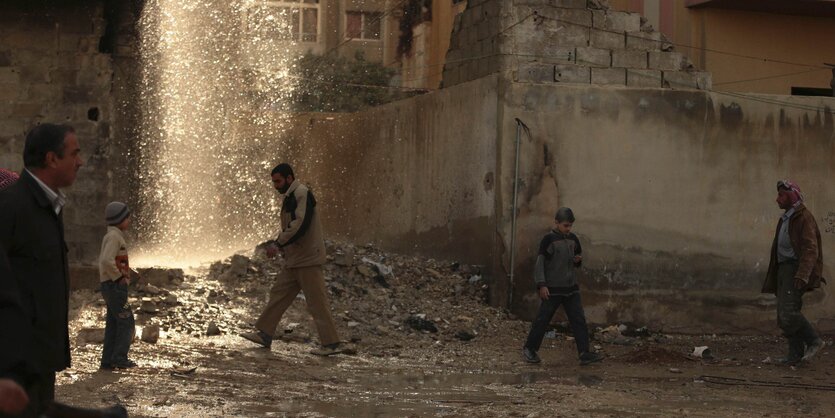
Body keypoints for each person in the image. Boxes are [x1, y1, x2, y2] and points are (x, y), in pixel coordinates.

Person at [241, 163, 348, 356]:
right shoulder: (291, 196)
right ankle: (264, 334)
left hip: (307, 259)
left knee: (317, 302)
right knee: (279, 294)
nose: (275, 185)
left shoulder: (302, 193)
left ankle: (331, 344)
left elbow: (300, 225)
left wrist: (279, 243)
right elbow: (290, 225)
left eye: (278, 181)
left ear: (289, 178)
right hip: (295, 259)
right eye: (273, 182)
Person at [522, 207, 602, 366]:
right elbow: (540, 264)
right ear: (556, 223)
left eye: (570, 226)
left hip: (571, 288)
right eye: (565, 225)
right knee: (543, 320)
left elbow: (575, 259)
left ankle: (584, 353)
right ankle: (530, 349)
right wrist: (542, 285)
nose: (568, 229)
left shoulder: (573, 239)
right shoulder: (549, 240)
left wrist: (577, 261)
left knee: (578, 319)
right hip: (553, 289)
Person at [762, 180, 825, 365]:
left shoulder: (804, 217)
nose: (777, 199)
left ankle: (814, 341)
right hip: (783, 270)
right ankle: (794, 355)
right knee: (784, 316)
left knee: (788, 313)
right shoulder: (786, 218)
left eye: (781, 195)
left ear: (791, 197)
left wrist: (803, 274)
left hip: (794, 269)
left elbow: (810, 249)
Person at [98, 202, 137, 370]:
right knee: (127, 320)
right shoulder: (115, 237)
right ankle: (120, 358)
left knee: (114, 323)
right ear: (120, 219)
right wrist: (119, 277)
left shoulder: (112, 236)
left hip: (111, 287)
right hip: (115, 288)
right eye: (127, 217)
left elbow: (113, 259)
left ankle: (107, 360)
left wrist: (129, 272)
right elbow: (106, 260)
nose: (129, 220)